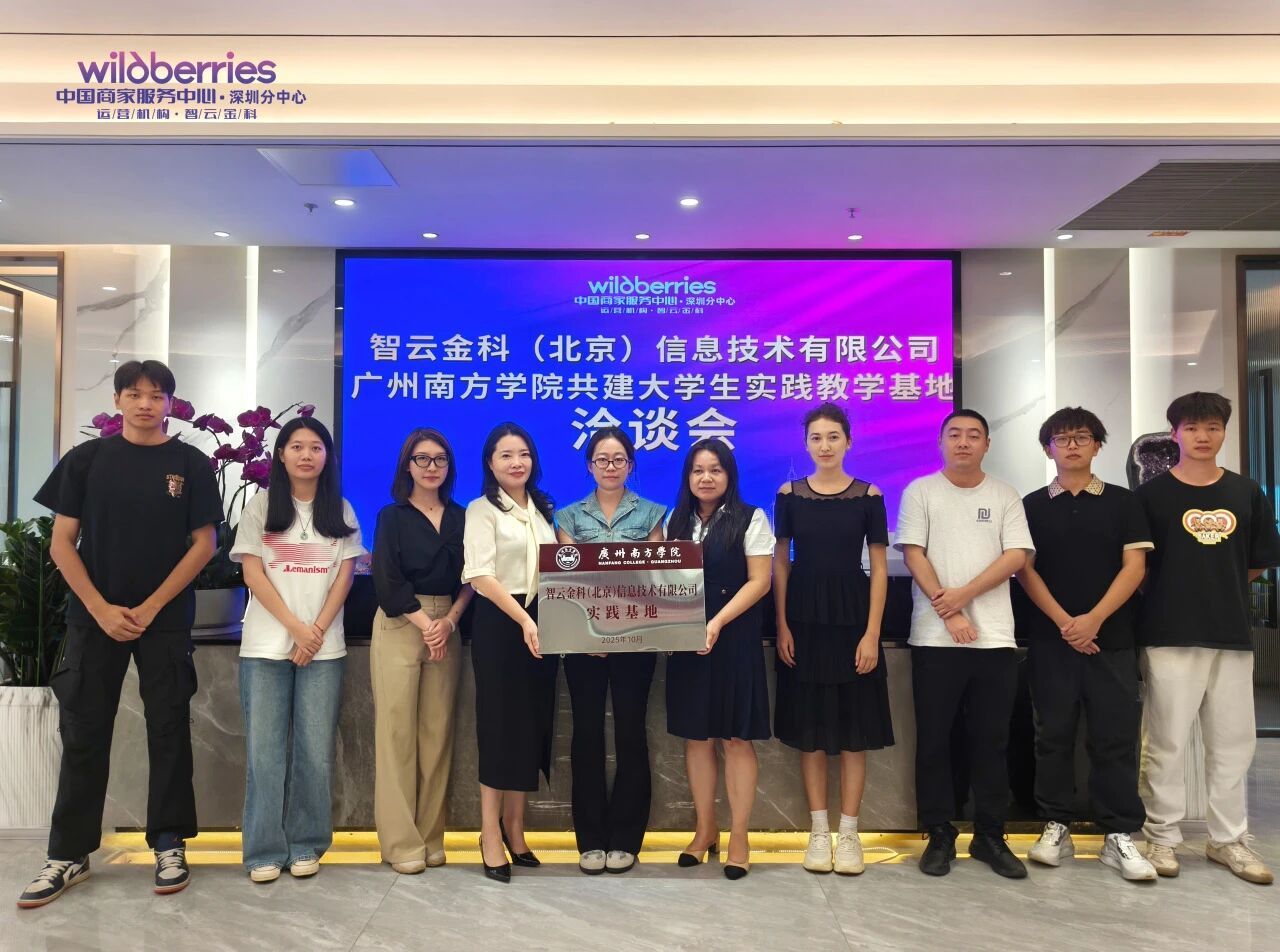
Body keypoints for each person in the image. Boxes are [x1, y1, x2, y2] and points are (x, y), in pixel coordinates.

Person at [19, 360, 222, 908]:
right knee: (83, 730)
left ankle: (169, 844)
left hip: (165, 620)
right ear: (117, 400)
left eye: (156, 395)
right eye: (134, 394)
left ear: (171, 403)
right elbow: (62, 542)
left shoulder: (191, 463)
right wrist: (100, 608)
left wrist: (152, 606)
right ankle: (68, 854)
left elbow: (204, 544)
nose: (145, 404)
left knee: (169, 729)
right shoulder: (86, 460)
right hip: (94, 618)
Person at [1136, 392, 1280, 884]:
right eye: (1193, 427)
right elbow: (1138, 568)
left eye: (1213, 427)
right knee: (1166, 741)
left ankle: (1228, 839)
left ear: (1224, 432)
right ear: (1174, 433)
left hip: (1230, 633)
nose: (1203, 436)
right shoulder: (1151, 496)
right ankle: (1161, 836)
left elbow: (1256, 563)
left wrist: (1218, 589)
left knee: (1233, 742)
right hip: (1168, 633)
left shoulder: (1246, 492)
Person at [1015, 407, 1157, 882]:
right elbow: (1024, 570)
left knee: (1114, 738)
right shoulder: (1030, 505)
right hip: (1051, 640)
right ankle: (1056, 824)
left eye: (1082, 437)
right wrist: (1065, 624)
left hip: (1111, 639)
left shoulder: (1123, 502)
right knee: (1052, 736)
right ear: (1048, 448)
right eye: (1062, 438)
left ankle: (1118, 834)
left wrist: (1093, 620)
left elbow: (1134, 568)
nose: (1072, 445)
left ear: (1098, 445)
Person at [895, 408, 1034, 879]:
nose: (963, 442)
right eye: (954, 434)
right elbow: (913, 554)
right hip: (934, 639)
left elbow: (1016, 556)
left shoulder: (1004, 495)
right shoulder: (920, 491)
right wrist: (949, 612)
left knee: (992, 741)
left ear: (987, 445)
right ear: (940, 442)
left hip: (994, 639)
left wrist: (964, 598)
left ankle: (990, 836)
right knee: (935, 741)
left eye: (974, 435)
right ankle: (938, 833)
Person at [230, 417, 364, 883]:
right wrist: (295, 630)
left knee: (314, 752)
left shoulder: (340, 510)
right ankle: (264, 850)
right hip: (265, 648)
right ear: (281, 455)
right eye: (296, 446)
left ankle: (306, 843)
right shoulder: (260, 506)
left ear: (327, 456)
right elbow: (252, 573)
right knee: (265, 755)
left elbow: (344, 577)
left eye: (316, 447)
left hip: (324, 651)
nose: (306, 455)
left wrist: (316, 631)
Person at [774, 403, 894, 876]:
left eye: (833, 437)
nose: (824, 446)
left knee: (852, 732)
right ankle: (818, 831)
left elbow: (879, 568)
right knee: (811, 732)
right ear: (806, 444)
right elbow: (780, 562)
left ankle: (849, 833)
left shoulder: (869, 495)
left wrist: (872, 634)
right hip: (803, 618)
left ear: (848, 442)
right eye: (816, 438)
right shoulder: (789, 495)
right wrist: (782, 625)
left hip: (852, 618)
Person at [556, 427, 666, 875]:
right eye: (602, 459)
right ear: (589, 466)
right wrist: (594, 637)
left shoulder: (654, 513)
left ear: (631, 465)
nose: (610, 467)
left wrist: (618, 634)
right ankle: (590, 839)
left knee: (631, 733)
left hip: (636, 641)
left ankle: (626, 838)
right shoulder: (568, 517)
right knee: (585, 734)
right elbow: (568, 584)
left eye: (619, 459)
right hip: (583, 643)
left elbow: (655, 579)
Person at [665, 438, 773, 881]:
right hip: (687, 643)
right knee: (697, 738)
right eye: (698, 470)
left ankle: (739, 836)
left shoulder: (751, 517)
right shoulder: (674, 521)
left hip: (734, 639)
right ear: (688, 478)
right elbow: (659, 582)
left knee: (735, 739)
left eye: (715, 470)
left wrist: (718, 621)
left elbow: (760, 581)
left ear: (729, 475)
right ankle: (705, 829)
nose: (706, 478)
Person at [371, 428, 472, 874]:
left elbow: (473, 577)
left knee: (437, 733)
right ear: (407, 465)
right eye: (422, 459)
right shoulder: (391, 516)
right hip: (401, 623)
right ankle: (401, 843)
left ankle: (431, 838)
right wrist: (426, 624)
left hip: (448, 623)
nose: (432, 467)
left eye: (440, 459)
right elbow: (387, 579)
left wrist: (448, 622)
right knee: (396, 734)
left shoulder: (464, 517)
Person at [462, 422, 559, 884]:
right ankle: (489, 835)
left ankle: (516, 829)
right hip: (503, 623)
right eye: (506, 455)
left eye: (523, 454)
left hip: (543, 622)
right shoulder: (481, 510)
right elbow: (480, 575)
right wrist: (524, 620)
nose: (517, 462)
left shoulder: (542, 508)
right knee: (499, 728)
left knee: (531, 726)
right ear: (490, 462)